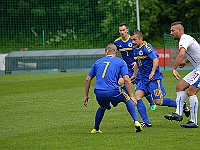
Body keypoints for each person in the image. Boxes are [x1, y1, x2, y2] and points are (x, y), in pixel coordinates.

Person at [129, 29, 190, 121]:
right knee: (137, 98)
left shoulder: (147, 47)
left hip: (153, 79)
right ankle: (146, 122)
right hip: (143, 80)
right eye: (132, 40)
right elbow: (138, 62)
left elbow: (156, 59)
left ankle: (181, 104)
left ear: (141, 38)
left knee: (158, 101)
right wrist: (134, 75)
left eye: (134, 40)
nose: (133, 42)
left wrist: (153, 72)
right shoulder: (134, 49)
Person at [83, 43, 142, 133]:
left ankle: (96, 128)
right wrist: (131, 95)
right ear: (116, 53)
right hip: (113, 91)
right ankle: (136, 121)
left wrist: (86, 96)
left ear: (106, 52)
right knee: (127, 99)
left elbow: (88, 79)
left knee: (102, 107)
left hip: (98, 92)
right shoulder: (121, 62)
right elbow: (126, 78)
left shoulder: (98, 62)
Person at [114, 23, 155, 127]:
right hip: (126, 68)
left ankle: (152, 103)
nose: (122, 32)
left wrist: (136, 62)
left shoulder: (133, 40)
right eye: (120, 30)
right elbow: (113, 53)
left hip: (137, 67)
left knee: (141, 86)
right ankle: (120, 99)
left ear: (127, 30)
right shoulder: (117, 42)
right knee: (121, 82)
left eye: (123, 30)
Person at [164, 21, 200, 128]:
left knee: (191, 92)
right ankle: (178, 114)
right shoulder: (186, 38)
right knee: (179, 87)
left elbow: (182, 53)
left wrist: (174, 68)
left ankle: (194, 121)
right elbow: (196, 52)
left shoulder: (184, 39)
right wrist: (185, 62)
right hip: (198, 68)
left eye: (173, 30)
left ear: (180, 31)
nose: (171, 32)